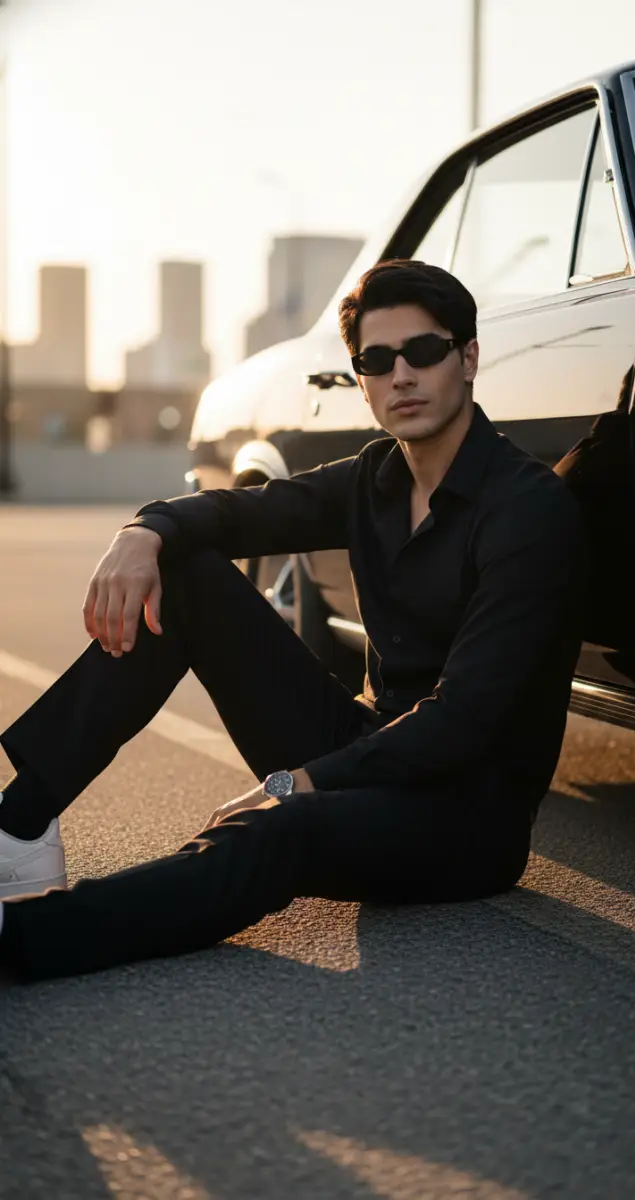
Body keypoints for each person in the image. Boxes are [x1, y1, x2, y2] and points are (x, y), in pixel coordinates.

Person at [0, 260, 587, 982]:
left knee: (280, 828)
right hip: (373, 750)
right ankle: (18, 829)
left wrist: (297, 782)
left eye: (424, 352)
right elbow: (240, 512)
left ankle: (22, 938)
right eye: (377, 360)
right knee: (187, 575)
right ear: (362, 381)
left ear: (467, 358)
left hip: (467, 815)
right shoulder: (376, 478)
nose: (401, 374)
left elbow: (465, 720)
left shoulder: (526, 509)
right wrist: (144, 532)